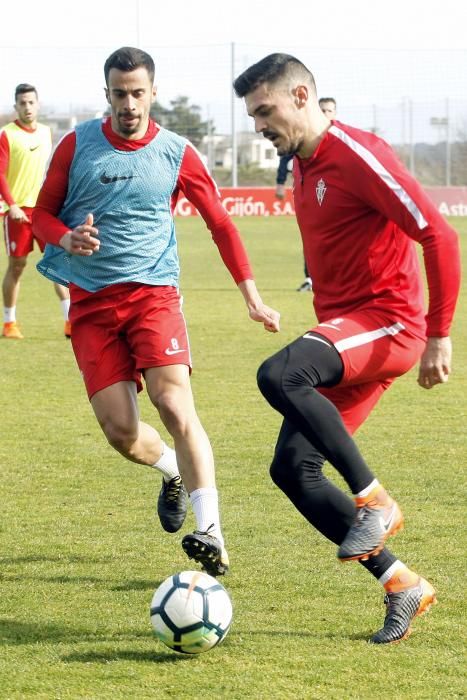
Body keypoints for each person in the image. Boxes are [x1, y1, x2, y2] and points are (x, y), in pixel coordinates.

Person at [233, 54, 460, 642]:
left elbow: (439, 235)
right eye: (252, 114)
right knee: (293, 470)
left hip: (389, 324)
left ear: (302, 95)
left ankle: (374, 499)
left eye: (266, 109)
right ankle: (402, 584)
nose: (259, 123)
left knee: (280, 374)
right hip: (350, 334)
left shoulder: (357, 155)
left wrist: (439, 332)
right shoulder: (304, 167)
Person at [33, 47, 280, 577]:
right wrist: (66, 237)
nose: (128, 104)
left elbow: (221, 223)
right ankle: (170, 470)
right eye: (119, 94)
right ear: (107, 95)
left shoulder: (176, 151)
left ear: (153, 92)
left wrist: (251, 295)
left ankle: (211, 531)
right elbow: (41, 216)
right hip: (93, 303)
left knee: (173, 403)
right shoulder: (76, 145)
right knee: (122, 432)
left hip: (154, 294)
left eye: (137, 93)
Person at [0, 84, 71, 339]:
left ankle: (70, 321)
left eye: (31, 102)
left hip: (44, 210)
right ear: (16, 107)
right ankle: (9, 323)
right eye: (22, 103)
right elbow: (0, 174)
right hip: (17, 212)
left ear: (38, 104)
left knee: (58, 262)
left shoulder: (46, 133)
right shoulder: (7, 135)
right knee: (17, 266)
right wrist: (13, 205)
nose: (27, 107)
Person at [276, 97, 337, 293]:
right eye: (322, 110)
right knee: (311, 238)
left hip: (336, 199)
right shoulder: (302, 138)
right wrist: (279, 184)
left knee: (337, 239)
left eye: (329, 110)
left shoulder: (341, 141)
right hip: (310, 197)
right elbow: (285, 159)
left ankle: (335, 279)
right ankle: (310, 279)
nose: (325, 114)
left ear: (335, 114)